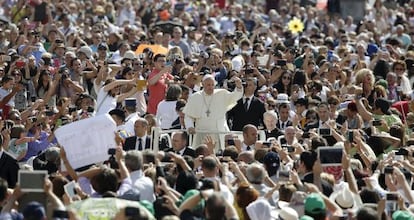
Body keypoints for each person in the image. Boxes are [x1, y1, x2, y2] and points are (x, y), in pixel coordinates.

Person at [183, 74, 243, 148]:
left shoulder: (222, 93)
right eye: (208, 85)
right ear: (203, 84)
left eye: (212, 85)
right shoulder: (195, 97)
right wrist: (190, 127)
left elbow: (235, 97)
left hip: (219, 132)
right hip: (202, 132)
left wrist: (239, 87)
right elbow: (188, 116)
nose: (211, 87)